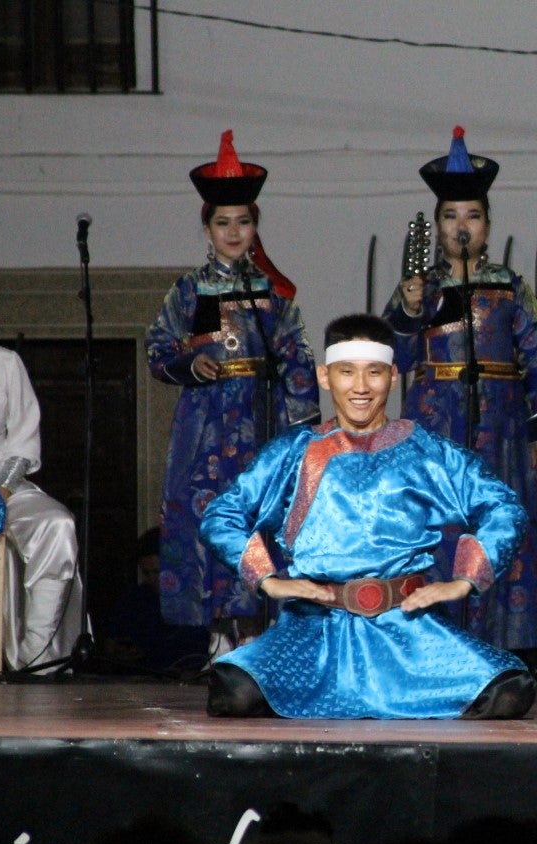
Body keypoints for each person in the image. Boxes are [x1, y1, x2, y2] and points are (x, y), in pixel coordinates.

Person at [200, 313, 535, 719]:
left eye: (374, 372)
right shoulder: (295, 452)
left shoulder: (427, 452)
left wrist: (464, 580)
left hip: (408, 630)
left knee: (510, 691)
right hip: (315, 630)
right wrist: (268, 579)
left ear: (393, 376)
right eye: (346, 372)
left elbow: (504, 507)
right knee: (232, 690)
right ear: (325, 377)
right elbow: (221, 515)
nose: (360, 387)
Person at [383, 126, 537, 657]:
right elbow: (395, 359)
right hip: (434, 425)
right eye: (451, 216)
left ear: (487, 225)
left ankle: (502, 644)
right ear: (437, 225)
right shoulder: (421, 287)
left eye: (473, 216)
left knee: (496, 523)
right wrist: (410, 309)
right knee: (438, 527)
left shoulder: (510, 286)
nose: (462, 226)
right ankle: (435, 641)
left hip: (501, 427)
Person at [146, 130, 320, 657]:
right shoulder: (189, 290)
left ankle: (259, 638)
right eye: (223, 223)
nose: (233, 232)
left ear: (254, 227)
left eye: (243, 222)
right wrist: (190, 365)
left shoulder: (273, 294)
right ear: (207, 228)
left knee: (262, 520)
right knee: (209, 519)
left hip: (261, 423)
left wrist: (302, 435)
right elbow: (158, 348)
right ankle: (218, 638)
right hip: (205, 426)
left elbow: (297, 360)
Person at [0, 343, 85, 673]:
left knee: (55, 523)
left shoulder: (4, 362)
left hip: (2, 484)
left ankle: (37, 655)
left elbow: (23, 438)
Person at [102, 528, 209, 675]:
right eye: (146, 573)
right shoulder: (134, 599)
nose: (153, 579)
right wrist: (120, 651)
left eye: (158, 572)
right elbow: (111, 643)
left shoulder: (200, 600)